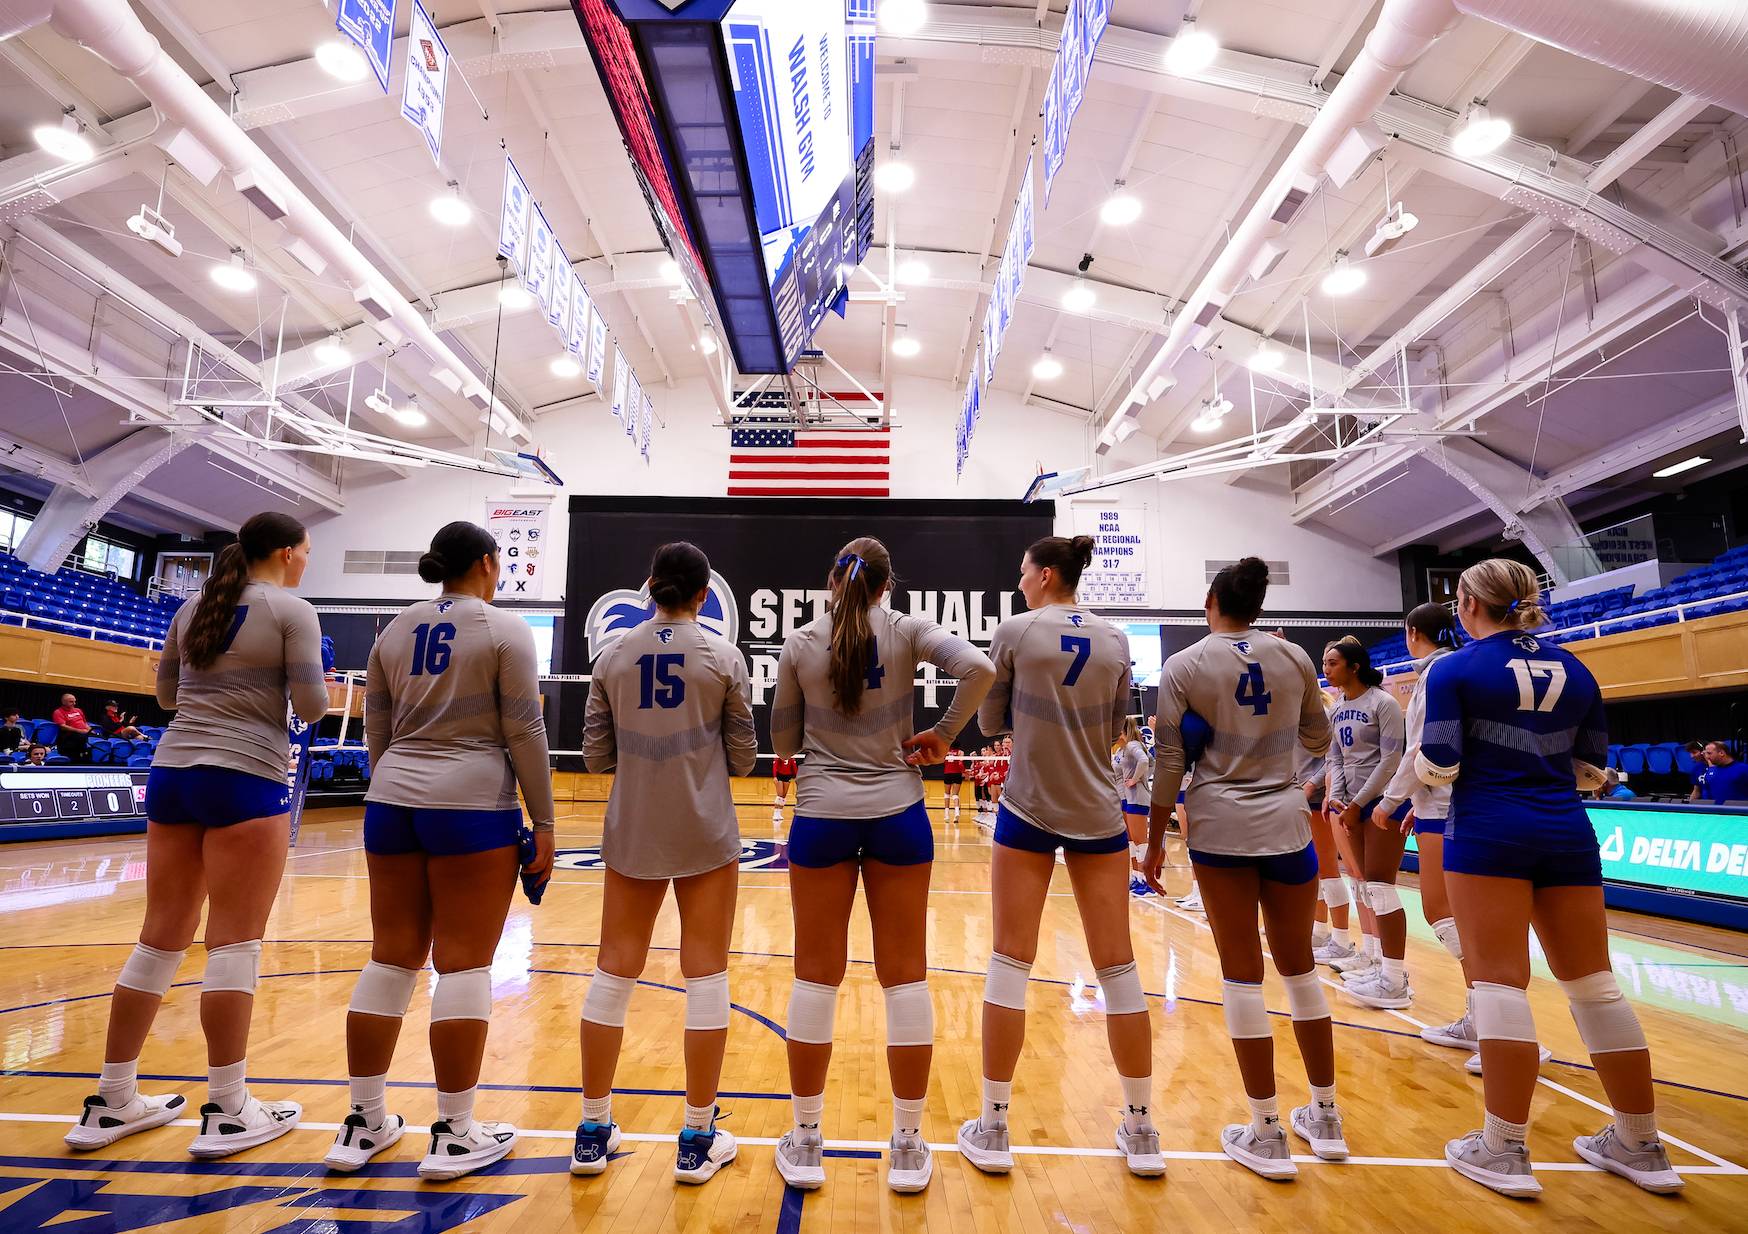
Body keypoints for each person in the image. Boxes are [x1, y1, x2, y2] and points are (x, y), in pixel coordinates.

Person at [63, 512, 325, 1157]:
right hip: (244, 776)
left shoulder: (192, 609)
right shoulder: (293, 610)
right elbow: (315, 706)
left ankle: (112, 1098)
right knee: (234, 945)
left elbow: (167, 696)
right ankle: (230, 1109)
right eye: (307, 551)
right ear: (288, 553)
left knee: (158, 941)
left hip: (172, 774)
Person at [1420, 558, 1681, 1198]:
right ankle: (1641, 1144)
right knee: (1595, 986)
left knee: (1499, 982)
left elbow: (1437, 762)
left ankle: (1503, 1148)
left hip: (1487, 831)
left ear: (1468, 603)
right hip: (1567, 831)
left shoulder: (1452, 668)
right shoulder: (1578, 667)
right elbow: (1593, 768)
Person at [324, 521, 556, 1181]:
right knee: (461, 967)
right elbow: (525, 727)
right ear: (487, 563)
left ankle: (362, 1122)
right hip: (471, 805)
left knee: (390, 958)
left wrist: (392, 784)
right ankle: (455, 1134)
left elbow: (377, 724)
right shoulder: (505, 629)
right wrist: (543, 819)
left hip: (392, 801)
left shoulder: (393, 630)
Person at [769, 537, 994, 1194]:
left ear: (830, 583)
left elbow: (783, 743)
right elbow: (977, 668)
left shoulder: (800, 642)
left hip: (821, 816)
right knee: (905, 979)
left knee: (814, 978)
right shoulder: (906, 628)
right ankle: (907, 1144)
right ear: (887, 586)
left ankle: (807, 1141)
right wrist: (944, 735)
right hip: (899, 812)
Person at [958, 535, 1165, 1179]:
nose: (1019, 581)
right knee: (1119, 969)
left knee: (1009, 961)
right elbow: (1113, 730)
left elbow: (992, 723)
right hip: (1099, 813)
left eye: (1023, 571)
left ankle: (993, 1128)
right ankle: (1141, 1127)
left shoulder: (1016, 631)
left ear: (1046, 575)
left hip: (1028, 809)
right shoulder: (1116, 640)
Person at [1144, 558, 1341, 1180]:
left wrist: (1153, 839)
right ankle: (1327, 1117)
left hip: (1221, 822)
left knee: (1242, 976)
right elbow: (1319, 736)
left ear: (1210, 600)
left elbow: (1171, 763)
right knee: (1302, 973)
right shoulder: (1296, 659)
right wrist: (1285, 768)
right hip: (1286, 822)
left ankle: (1265, 1131)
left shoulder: (1185, 665)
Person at [575, 542, 757, 1184]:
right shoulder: (724, 657)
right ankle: (697, 1135)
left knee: (614, 968)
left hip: (633, 828)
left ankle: (592, 1129)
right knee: (705, 974)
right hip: (706, 830)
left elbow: (596, 758)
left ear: (650, 587)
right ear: (704, 595)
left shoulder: (612, 656)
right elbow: (743, 757)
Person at [1321, 639, 1405, 986]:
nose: (1326, 669)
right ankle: (1373, 958)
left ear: (1354, 667)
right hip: (1351, 803)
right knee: (1364, 884)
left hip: (1381, 801)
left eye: (1333, 663)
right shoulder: (1338, 707)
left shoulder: (1383, 703)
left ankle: (1394, 973)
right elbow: (1336, 757)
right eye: (1324, 663)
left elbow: (1391, 760)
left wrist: (1357, 804)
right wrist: (1339, 797)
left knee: (1380, 886)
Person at [1115, 718, 1153, 896]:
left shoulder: (1132, 745)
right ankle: (1137, 876)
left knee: (1140, 840)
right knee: (1132, 840)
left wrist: (1137, 779)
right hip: (1125, 798)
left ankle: (1148, 881)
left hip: (1137, 797)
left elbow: (1146, 761)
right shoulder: (1123, 749)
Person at [53, 692, 93, 763]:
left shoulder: (78, 710)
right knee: (80, 738)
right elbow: (62, 726)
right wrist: (79, 731)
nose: (74, 703)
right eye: (71, 702)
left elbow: (84, 723)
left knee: (100, 738)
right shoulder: (58, 712)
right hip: (69, 736)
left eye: (75, 701)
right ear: (63, 702)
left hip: (83, 733)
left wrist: (91, 730)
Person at [772, 754, 799, 825]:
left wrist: (797, 777)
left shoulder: (791, 758)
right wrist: (775, 777)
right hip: (779, 776)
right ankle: (775, 813)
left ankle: (779, 813)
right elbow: (775, 766)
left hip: (787, 776)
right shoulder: (779, 755)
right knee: (780, 795)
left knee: (783, 796)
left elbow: (794, 768)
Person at [942, 746, 965, 822]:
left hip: (947, 773)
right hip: (957, 773)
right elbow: (961, 764)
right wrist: (963, 772)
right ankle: (957, 812)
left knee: (947, 794)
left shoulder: (945, 751)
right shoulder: (960, 752)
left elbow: (942, 760)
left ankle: (946, 815)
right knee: (955, 794)